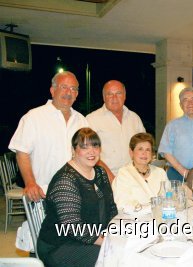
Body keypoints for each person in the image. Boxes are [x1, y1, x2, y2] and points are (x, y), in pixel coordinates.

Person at [37, 128, 117, 267]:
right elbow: (72, 226)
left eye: (95, 146)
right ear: (74, 150)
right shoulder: (66, 180)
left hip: (92, 236)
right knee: (115, 257)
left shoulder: (100, 172)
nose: (91, 151)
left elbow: (111, 207)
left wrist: (115, 232)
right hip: (61, 245)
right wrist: (105, 241)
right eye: (84, 147)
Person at [8, 71, 88, 201]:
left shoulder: (82, 121)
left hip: (76, 192)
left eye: (73, 89)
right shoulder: (33, 117)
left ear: (77, 94)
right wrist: (30, 183)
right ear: (52, 90)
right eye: (64, 87)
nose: (68, 92)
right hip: (43, 193)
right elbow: (22, 153)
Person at [87, 80, 145, 182]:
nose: (114, 98)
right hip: (104, 179)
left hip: (133, 177)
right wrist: (111, 179)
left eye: (118, 93)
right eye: (110, 94)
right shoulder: (92, 120)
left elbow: (143, 148)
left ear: (124, 96)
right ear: (104, 97)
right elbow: (89, 154)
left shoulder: (134, 118)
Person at [112, 133, 168, 208]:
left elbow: (169, 198)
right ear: (131, 152)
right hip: (134, 218)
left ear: (151, 154)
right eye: (140, 149)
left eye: (148, 150)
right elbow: (122, 203)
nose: (144, 153)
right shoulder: (124, 174)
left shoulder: (160, 173)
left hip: (160, 216)